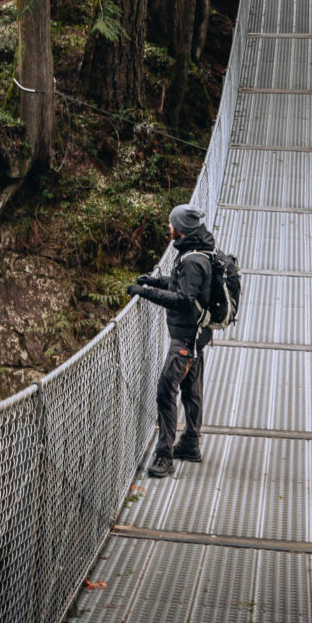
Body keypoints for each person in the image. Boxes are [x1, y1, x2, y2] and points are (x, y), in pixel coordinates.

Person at [125, 203, 218, 478]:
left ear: (181, 228)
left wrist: (144, 293)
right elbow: (183, 286)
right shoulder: (194, 252)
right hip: (196, 336)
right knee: (191, 386)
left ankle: (164, 456)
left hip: (185, 339)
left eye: (171, 223)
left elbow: (182, 299)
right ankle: (190, 443)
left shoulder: (192, 260)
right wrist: (154, 283)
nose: (169, 226)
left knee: (167, 389)